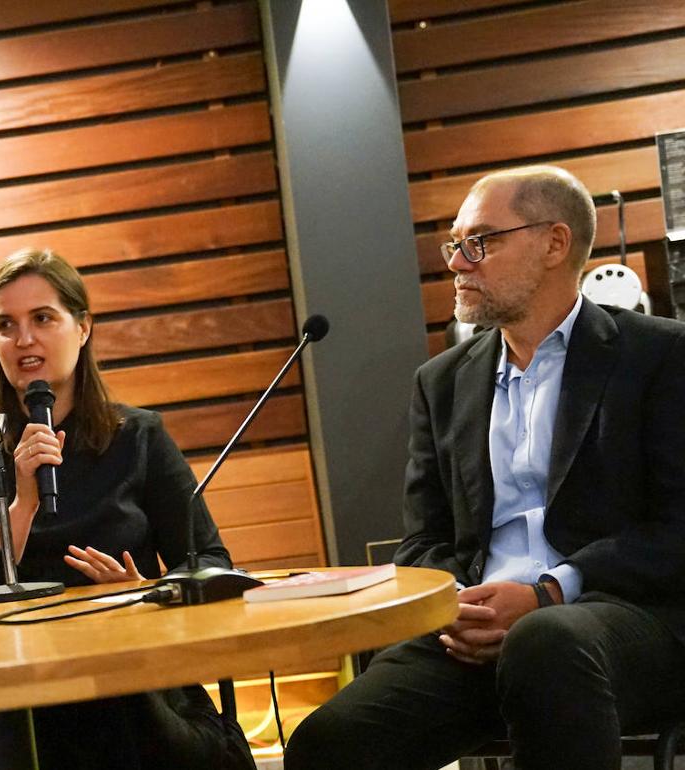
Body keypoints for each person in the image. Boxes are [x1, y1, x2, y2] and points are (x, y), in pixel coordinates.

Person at [284, 166, 685, 770]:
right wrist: (459, 605)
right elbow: (421, 542)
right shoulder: (442, 382)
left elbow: (676, 529)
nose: (457, 263)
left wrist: (549, 591)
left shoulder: (659, 355)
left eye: (481, 241)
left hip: (627, 618)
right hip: (473, 631)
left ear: (555, 243)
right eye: (455, 244)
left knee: (545, 641)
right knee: (328, 744)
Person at [0, 248, 255, 770]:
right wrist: (22, 506)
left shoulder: (140, 438)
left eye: (42, 318)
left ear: (83, 327)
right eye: (5, 325)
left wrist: (143, 596)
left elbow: (210, 563)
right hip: (4, 687)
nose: (24, 339)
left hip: (128, 674)